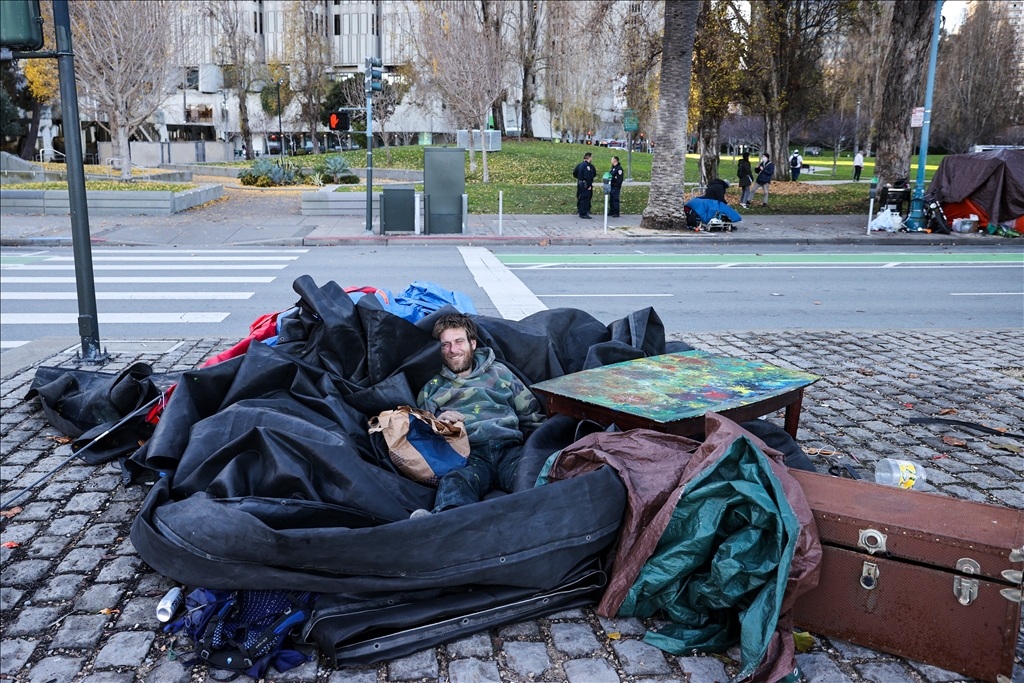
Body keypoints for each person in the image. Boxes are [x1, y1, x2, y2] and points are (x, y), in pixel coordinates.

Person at [412, 313, 545, 516]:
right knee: (454, 482)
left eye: (458, 342)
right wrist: (439, 424)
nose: (453, 350)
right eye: (445, 344)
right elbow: (422, 435)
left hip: (508, 449)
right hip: (468, 455)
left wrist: (543, 448)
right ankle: (441, 525)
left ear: (472, 344)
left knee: (535, 476)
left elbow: (532, 416)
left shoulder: (501, 373)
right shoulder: (432, 387)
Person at [572, 152, 597, 219]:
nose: (592, 158)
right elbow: (588, 176)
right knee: (585, 198)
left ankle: (581, 211)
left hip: (581, 183)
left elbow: (575, 173)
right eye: (591, 157)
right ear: (589, 158)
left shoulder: (581, 165)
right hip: (585, 184)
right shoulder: (587, 166)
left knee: (581, 197)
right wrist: (589, 185)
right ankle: (583, 213)